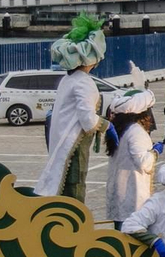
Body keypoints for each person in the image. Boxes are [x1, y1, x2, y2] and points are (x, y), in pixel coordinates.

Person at [35, 15, 109, 200]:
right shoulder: (84, 82)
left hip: (62, 142)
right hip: (74, 147)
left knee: (62, 186)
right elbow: (88, 121)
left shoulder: (67, 80)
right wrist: (107, 126)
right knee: (75, 187)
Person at [105, 88, 163, 225]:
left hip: (120, 192)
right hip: (133, 195)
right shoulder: (136, 131)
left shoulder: (121, 128)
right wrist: (155, 152)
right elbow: (143, 162)